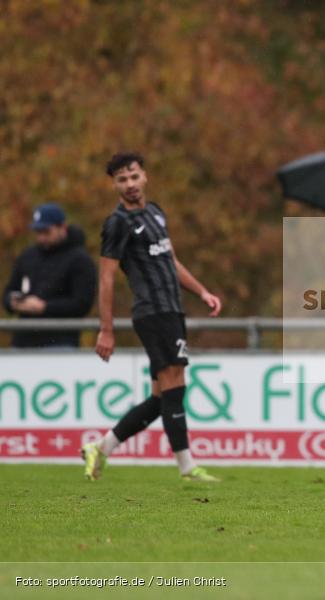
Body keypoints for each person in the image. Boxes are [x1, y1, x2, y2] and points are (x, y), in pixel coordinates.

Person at [81, 152, 224, 482]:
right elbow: (106, 277)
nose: (129, 184)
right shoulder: (117, 224)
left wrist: (201, 291)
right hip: (152, 312)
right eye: (122, 179)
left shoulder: (156, 212)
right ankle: (187, 468)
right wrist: (106, 329)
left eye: (134, 177)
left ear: (144, 176)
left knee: (162, 397)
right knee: (175, 385)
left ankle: (101, 448)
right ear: (114, 184)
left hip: (172, 309)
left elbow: (170, 261)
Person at [2, 203, 97, 348]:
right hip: (22, 341)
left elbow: (82, 303)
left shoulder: (80, 260)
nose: (41, 237)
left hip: (60, 342)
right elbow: (8, 292)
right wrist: (13, 302)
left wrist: (45, 307)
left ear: (62, 227)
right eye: (38, 232)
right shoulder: (28, 255)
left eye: (46, 232)